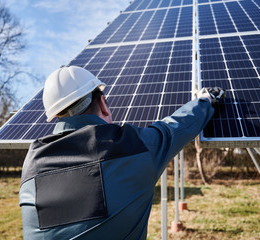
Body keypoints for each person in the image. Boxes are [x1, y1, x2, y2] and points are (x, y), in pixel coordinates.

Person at [19, 66, 225, 239]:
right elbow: (176, 127)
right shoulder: (131, 146)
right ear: (103, 105)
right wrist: (205, 99)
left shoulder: (32, 161)